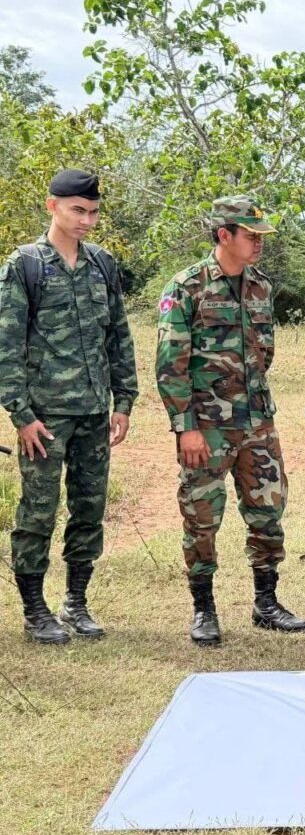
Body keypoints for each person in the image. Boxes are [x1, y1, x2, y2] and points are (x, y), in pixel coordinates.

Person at [156, 196, 305, 646]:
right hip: (206, 427)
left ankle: (266, 602)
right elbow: (170, 365)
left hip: (257, 422)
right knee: (201, 518)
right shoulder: (186, 287)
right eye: (251, 235)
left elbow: (265, 353)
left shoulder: (260, 286)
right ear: (224, 235)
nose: (259, 243)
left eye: (262, 236)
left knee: (268, 511)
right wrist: (186, 427)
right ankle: (204, 609)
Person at [0, 170, 137, 644]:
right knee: (38, 512)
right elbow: (7, 345)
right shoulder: (25, 265)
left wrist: (124, 400)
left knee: (89, 509)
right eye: (78, 210)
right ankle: (35, 609)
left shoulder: (102, 264)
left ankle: (76, 602)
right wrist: (21, 415)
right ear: (52, 206)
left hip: (95, 412)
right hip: (44, 417)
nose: (87, 220)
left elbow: (118, 335)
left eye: (93, 212)